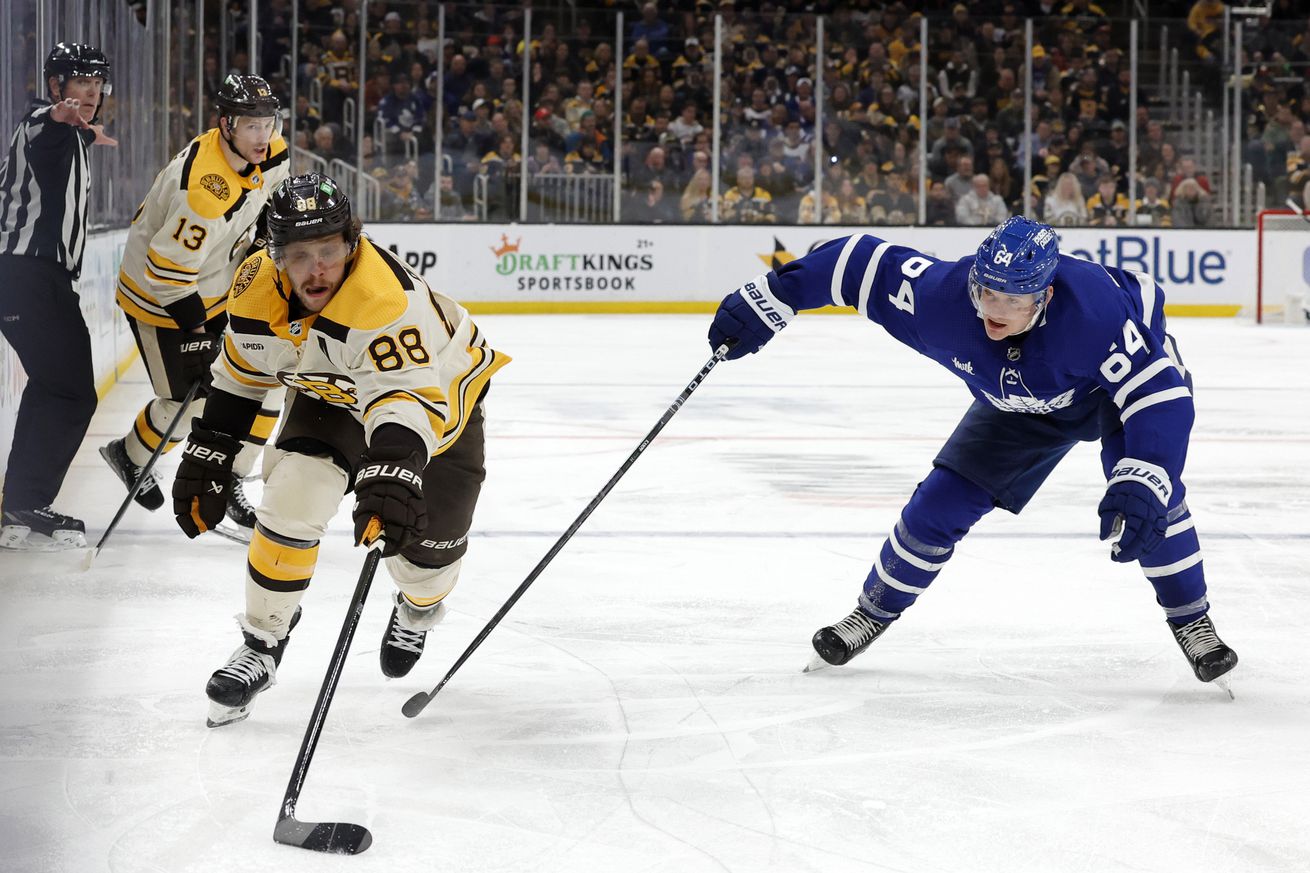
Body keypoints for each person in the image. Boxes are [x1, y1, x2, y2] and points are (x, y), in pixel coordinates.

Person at [706, 216, 1238, 692]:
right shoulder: (944, 299)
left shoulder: (1094, 319)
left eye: (1013, 300)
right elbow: (857, 261)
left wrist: (1146, 475)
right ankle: (871, 614)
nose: (994, 311)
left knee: (1150, 504)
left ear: (1046, 297)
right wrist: (773, 295)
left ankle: (1192, 620)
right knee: (937, 507)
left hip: (1111, 393)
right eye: (988, 293)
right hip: (1017, 398)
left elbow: (1158, 397)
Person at [173, 174, 508, 727]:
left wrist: (393, 469)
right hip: (332, 391)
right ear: (275, 255)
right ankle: (262, 642)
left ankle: (417, 610)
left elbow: (405, 401)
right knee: (292, 497)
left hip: (440, 403)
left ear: (351, 243)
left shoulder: (382, 299)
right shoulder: (255, 284)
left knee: (429, 552)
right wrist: (208, 451)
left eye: (328, 250)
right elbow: (240, 374)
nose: (317, 268)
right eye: (299, 255)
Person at [101, 74, 290, 540]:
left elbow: (269, 199)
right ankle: (130, 455)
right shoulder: (205, 194)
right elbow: (166, 273)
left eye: (268, 122)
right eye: (250, 125)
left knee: (263, 384)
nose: (263, 135)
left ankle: (230, 481)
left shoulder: (270, 148)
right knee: (194, 404)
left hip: (217, 286)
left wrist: (263, 242)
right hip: (162, 301)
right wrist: (200, 335)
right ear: (225, 124)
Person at [0, 43, 116, 550]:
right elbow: (42, 124)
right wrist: (59, 113)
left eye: (97, 84)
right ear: (55, 86)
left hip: (34, 278)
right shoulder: (42, 124)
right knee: (70, 391)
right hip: (25, 275)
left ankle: (20, 504)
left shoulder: (74, 135)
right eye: (79, 82)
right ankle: (24, 502)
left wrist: (84, 128)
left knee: (56, 387)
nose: (90, 92)